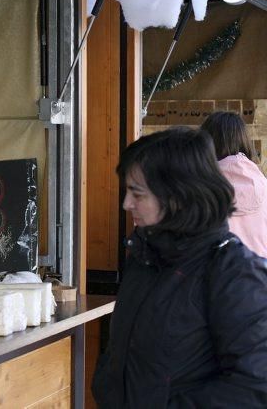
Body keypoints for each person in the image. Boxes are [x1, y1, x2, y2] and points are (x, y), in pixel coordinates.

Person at [92, 127, 267, 408]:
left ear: (177, 196)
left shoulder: (235, 274)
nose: (126, 204)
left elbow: (256, 387)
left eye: (137, 194)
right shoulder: (145, 258)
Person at [200, 110, 267, 257]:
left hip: (214, 276)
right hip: (259, 275)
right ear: (244, 140)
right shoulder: (264, 185)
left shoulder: (197, 190)